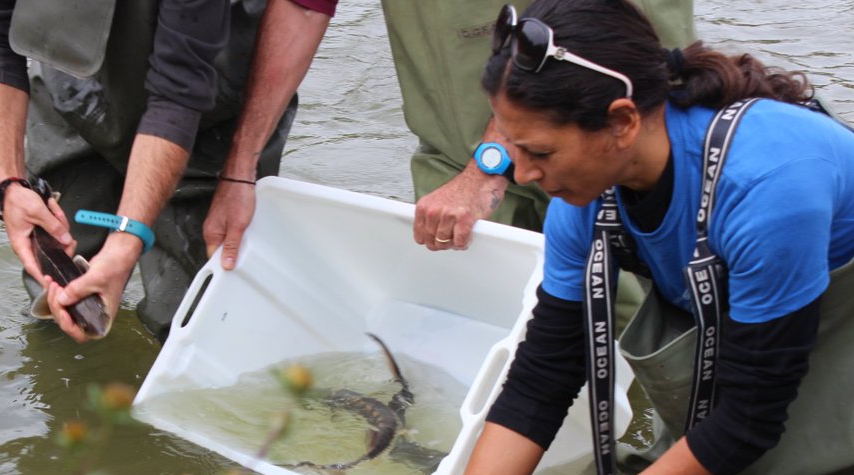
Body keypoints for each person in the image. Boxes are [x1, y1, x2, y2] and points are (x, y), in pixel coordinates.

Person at [376, 0, 854, 475]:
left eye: (539, 152)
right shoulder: (583, 197)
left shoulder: (770, 184)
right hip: (756, 379)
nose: (525, 175)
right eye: (511, 148)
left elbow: (750, 417)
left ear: (620, 121)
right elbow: (543, 374)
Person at [202, 0, 694, 276]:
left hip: (604, 139)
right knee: (474, 326)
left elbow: (588, 25)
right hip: (451, 147)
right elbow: (304, 7)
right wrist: (240, 168)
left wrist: (491, 162)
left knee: (645, 325)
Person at [0, 0, 300, 343]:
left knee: (195, 319)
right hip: (74, 77)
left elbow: (178, 92)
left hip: (209, 89)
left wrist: (127, 239)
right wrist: (9, 183)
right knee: (59, 295)